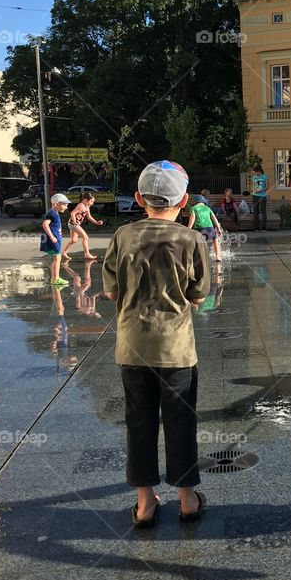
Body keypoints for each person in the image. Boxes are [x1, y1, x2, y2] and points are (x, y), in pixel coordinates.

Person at [102, 160, 210, 528]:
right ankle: (187, 499)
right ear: (183, 203)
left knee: (139, 422)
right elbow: (198, 297)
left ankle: (145, 504)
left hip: (131, 346)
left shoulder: (123, 236)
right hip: (176, 349)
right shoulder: (191, 240)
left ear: (137, 198)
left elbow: (112, 290)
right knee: (181, 422)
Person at [62, 192, 104, 262]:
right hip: (74, 224)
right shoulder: (81, 205)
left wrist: (96, 222)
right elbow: (72, 213)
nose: (92, 203)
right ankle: (87, 254)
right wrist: (75, 221)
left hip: (72, 224)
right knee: (85, 237)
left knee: (73, 240)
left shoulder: (87, 207)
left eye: (92, 202)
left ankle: (64, 252)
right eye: (91, 201)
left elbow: (89, 217)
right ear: (85, 200)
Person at [40, 193, 70, 286]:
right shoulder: (52, 213)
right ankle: (55, 279)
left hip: (56, 239)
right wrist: (52, 237)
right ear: (56, 204)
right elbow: (45, 224)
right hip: (53, 240)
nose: (66, 207)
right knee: (57, 258)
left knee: (57, 258)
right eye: (64, 204)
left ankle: (55, 278)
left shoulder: (54, 213)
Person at [187, 194, 224, 263]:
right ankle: (218, 256)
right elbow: (214, 219)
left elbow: (192, 218)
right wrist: (218, 228)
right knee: (215, 240)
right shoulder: (208, 208)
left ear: (195, 202)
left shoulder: (193, 208)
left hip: (198, 229)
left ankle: (198, 256)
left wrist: (188, 229)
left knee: (197, 243)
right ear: (204, 202)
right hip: (210, 228)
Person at [250, 165, 269, 231]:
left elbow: (267, 187)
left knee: (263, 211)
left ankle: (264, 227)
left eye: (256, 172)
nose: (255, 173)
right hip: (255, 196)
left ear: (259, 171)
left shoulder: (265, 177)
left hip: (262, 196)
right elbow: (253, 186)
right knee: (256, 212)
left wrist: (260, 190)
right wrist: (253, 190)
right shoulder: (254, 177)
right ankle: (256, 228)